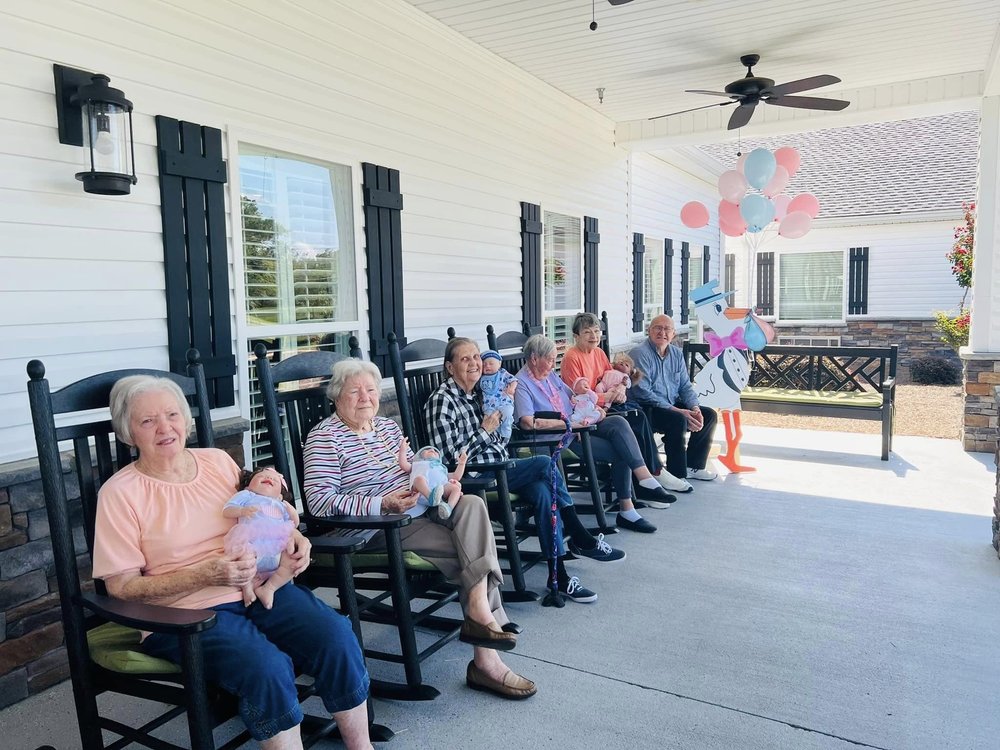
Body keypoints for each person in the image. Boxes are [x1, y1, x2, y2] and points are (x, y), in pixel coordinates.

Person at [91, 375, 373, 750]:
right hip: (183, 615)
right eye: (147, 421)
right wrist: (204, 574)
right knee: (267, 668)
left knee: (335, 635)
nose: (165, 428)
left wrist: (294, 535)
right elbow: (121, 589)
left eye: (172, 414)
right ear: (129, 432)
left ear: (186, 420)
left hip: (257, 588)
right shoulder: (119, 494)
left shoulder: (218, 462)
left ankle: (361, 746)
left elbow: (263, 512)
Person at [303, 359, 537, 699]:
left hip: (423, 508)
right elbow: (320, 502)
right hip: (377, 526)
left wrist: (441, 481)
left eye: (370, 389)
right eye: (354, 391)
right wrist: (382, 504)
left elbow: (418, 469)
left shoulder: (386, 428)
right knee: (469, 549)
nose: (365, 397)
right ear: (337, 397)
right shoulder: (324, 437)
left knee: (472, 504)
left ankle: (478, 612)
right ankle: (487, 658)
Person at [424, 337, 625, 607]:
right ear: (449, 367)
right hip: (476, 479)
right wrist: (486, 431)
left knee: (544, 491)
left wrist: (492, 431)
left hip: (503, 468)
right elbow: (447, 460)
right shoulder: (442, 401)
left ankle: (559, 578)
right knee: (543, 464)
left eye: (476, 357)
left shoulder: (482, 394)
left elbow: (502, 437)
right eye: (465, 359)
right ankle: (579, 534)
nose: (475, 363)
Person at [514, 334, 678, 534]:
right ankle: (628, 509)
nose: (552, 363)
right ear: (533, 359)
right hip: (559, 439)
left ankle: (644, 477)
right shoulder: (521, 383)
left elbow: (575, 395)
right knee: (621, 450)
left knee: (618, 421)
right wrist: (568, 424)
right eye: (550, 359)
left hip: (580, 424)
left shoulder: (549, 376)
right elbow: (528, 422)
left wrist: (595, 408)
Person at [560, 312, 691, 497]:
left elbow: (612, 377)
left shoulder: (598, 353)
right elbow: (578, 394)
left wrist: (621, 388)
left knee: (637, 412)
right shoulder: (572, 357)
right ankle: (651, 475)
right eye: (587, 332)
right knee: (635, 418)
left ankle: (652, 473)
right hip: (586, 412)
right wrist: (608, 396)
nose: (594, 336)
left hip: (605, 404)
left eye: (597, 331)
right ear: (576, 336)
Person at [630, 314, 719, 485]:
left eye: (667, 329)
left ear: (673, 334)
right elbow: (643, 393)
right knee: (677, 419)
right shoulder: (640, 353)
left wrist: (694, 408)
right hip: (646, 409)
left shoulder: (676, 354)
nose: (662, 332)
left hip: (670, 404)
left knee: (709, 416)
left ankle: (693, 466)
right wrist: (679, 411)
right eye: (657, 327)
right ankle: (676, 474)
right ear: (649, 330)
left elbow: (685, 386)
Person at [223, 465, 299, 609]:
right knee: (243, 556)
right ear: (248, 485)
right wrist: (241, 510)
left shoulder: (280, 505)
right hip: (252, 542)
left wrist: (293, 513)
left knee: (293, 561)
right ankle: (247, 587)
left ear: (280, 495)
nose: (269, 477)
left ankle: (269, 588)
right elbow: (226, 510)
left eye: (276, 480)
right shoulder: (248, 496)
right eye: (261, 475)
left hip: (276, 547)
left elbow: (293, 524)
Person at [398, 440, 468, 522]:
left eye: (435, 450)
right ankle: (430, 496)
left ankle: (448, 508)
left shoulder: (441, 468)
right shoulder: (417, 464)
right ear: (419, 456)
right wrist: (402, 450)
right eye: (427, 450)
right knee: (419, 479)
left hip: (441, 493)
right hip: (420, 492)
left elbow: (456, 476)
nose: (432, 450)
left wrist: (462, 464)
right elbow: (403, 464)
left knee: (455, 488)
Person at [478, 349, 517, 441]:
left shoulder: (502, 373)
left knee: (507, 415)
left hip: (504, 402)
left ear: (499, 364)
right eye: (484, 364)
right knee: (487, 420)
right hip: (489, 406)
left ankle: (505, 435)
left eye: (491, 363)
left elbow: (514, 380)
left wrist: (511, 389)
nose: (487, 366)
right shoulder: (481, 377)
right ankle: (494, 439)